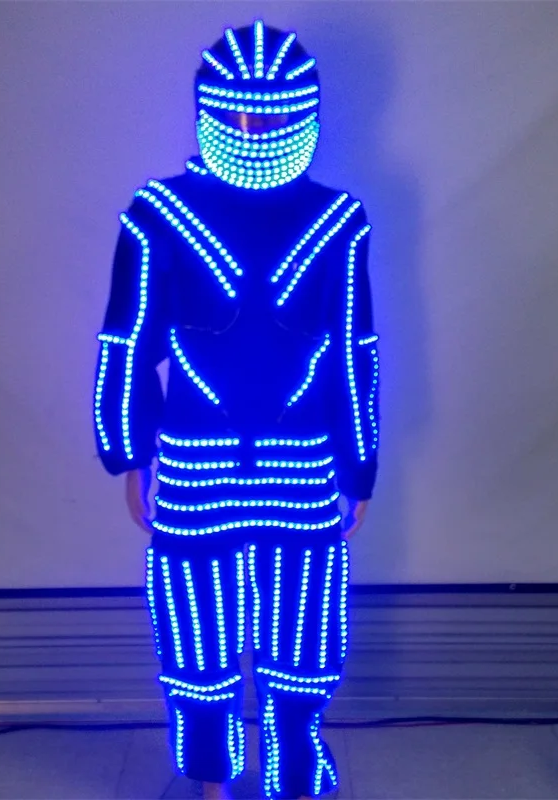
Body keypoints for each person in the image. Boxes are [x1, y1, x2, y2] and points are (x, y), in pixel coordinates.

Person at [93, 20, 380, 800]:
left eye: (274, 116)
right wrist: (128, 452)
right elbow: (128, 340)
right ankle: (217, 781)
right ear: (208, 112)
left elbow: (354, 349)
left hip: (291, 464)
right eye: (242, 115)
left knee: (297, 641)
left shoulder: (336, 220)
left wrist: (358, 465)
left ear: (307, 114)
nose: (256, 132)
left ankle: (287, 772)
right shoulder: (159, 214)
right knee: (200, 641)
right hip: (207, 463)